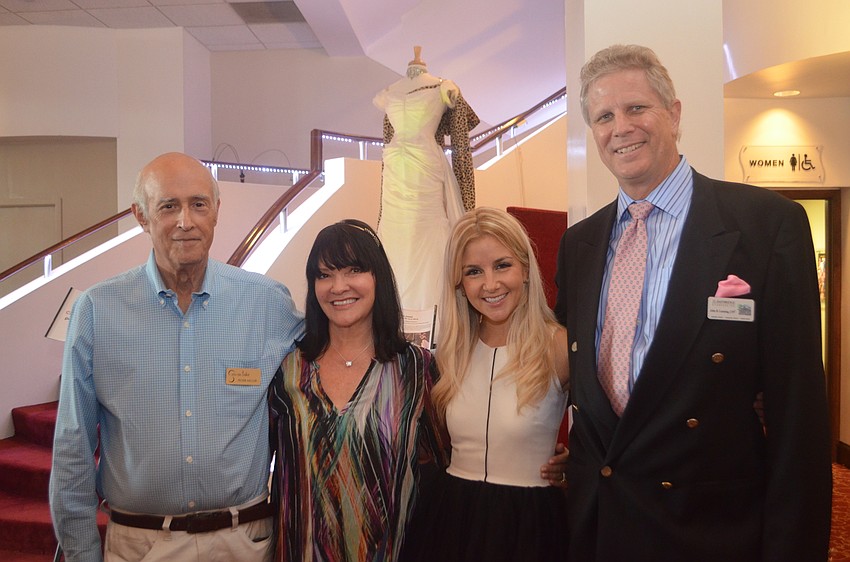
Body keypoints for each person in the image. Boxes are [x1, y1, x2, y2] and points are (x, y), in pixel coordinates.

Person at [554, 44, 832, 561]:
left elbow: (799, 420)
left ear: (674, 114)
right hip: (601, 525)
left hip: (709, 530)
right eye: (604, 116)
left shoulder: (766, 226)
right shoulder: (580, 244)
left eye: (637, 108)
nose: (621, 128)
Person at [49, 152, 304, 562]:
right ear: (141, 216)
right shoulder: (98, 310)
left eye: (198, 204)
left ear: (216, 212)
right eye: (169, 206)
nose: (186, 220)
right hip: (140, 545)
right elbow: (72, 444)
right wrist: (80, 552)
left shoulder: (268, 304)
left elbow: (329, 362)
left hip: (243, 544)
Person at [268, 219, 447, 561]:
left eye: (354, 270)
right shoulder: (288, 370)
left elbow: (451, 462)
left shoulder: (415, 369)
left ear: (377, 277)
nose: (338, 286)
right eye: (324, 274)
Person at [402, 207, 570, 561]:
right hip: (451, 521)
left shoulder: (559, 346)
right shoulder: (451, 352)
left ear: (525, 269)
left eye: (502, 265)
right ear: (460, 283)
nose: (490, 284)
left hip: (531, 527)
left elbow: (610, 430)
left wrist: (576, 463)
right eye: (474, 272)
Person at [373, 45, 479, 313]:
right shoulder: (389, 92)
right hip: (396, 166)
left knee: (429, 233)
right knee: (396, 237)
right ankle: (396, 314)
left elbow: (462, 141)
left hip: (426, 165)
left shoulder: (442, 87)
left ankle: (433, 317)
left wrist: (468, 200)